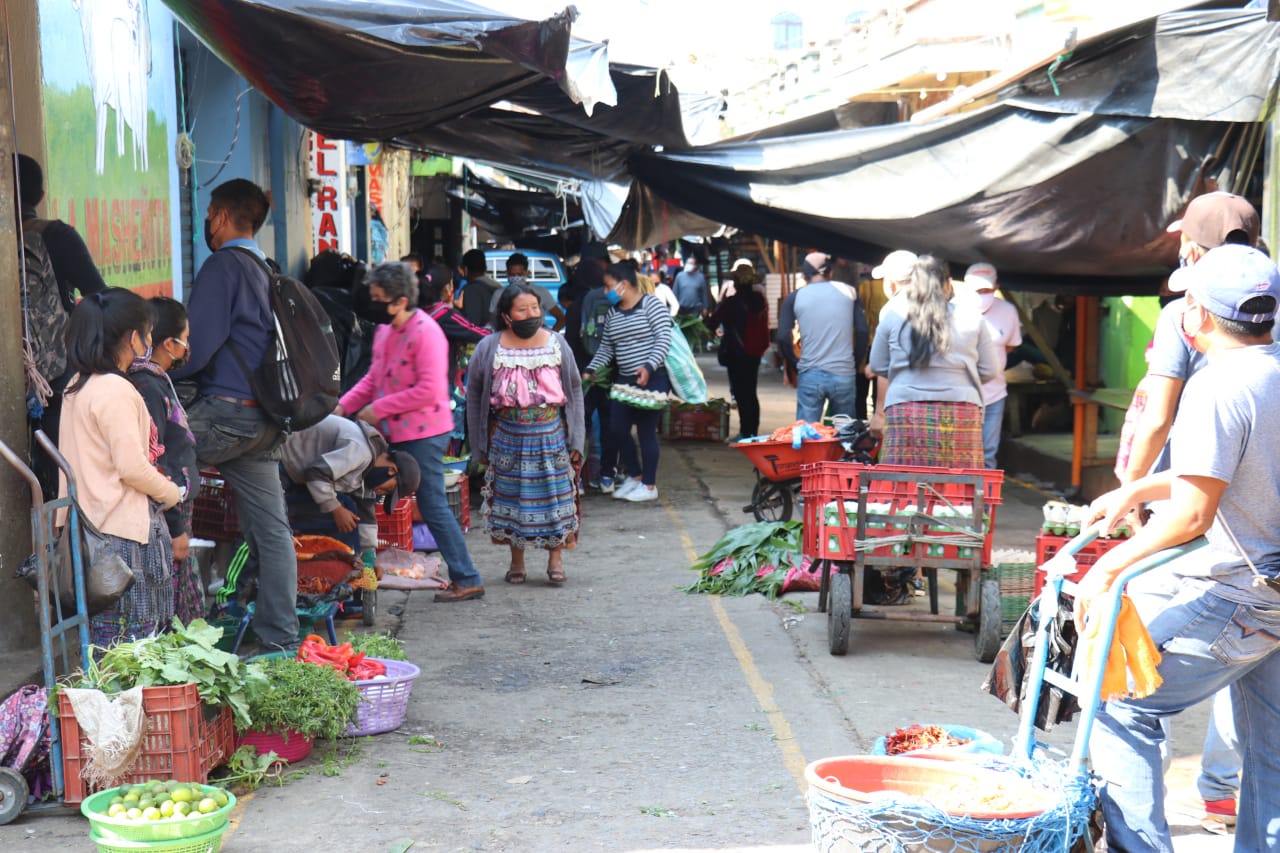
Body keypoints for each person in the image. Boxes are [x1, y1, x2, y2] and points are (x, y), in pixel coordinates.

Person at [1078, 244, 1280, 853]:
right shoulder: (1270, 372)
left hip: (1237, 594)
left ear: (1201, 316)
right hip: (1271, 596)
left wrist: (1109, 565)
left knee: (1120, 706)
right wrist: (1138, 488)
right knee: (1271, 753)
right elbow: (1225, 471)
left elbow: (1194, 513)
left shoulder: (1217, 386)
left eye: (1187, 300)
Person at [1114, 190, 1259, 831]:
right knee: (1247, 659)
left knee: (1133, 681)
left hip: (1202, 510)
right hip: (1254, 521)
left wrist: (1132, 491)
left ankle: (1143, 808)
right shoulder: (1268, 317)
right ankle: (1221, 787)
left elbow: (1157, 419)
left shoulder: (1193, 322)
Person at [171, 178, 300, 650]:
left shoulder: (223, 266)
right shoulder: (267, 268)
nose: (205, 223)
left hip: (225, 417)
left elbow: (197, 349)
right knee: (272, 531)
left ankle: (162, 620)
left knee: (150, 468)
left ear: (222, 216)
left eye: (208, 215)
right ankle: (280, 638)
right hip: (265, 421)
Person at [337, 262, 486, 602]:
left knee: (432, 504)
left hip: (425, 431)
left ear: (400, 301)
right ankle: (360, 574)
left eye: (379, 298)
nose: (374, 304)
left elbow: (430, 390)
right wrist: (342, 407)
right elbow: (373, 379)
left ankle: (467, 578)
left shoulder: (426, 332)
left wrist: (378, 408)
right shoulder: (385, 330)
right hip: (394, 428)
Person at [59, 288, 180, 646]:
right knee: (132, 644)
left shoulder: (77, 386)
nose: (149, 342)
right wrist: (171, 493)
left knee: (105, 644)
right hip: (120, 538)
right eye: (148, 333)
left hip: (88, 530)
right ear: (132, 338)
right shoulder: (116, 390)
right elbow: (132, 468)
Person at [466, 284, 585, 584]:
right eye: (523, 309)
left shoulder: (557, 344)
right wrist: (479, 444)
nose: (531, 314)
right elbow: (474, 394)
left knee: (555, 500)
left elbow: (574, 389)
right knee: (513, 502)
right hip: (507, 438)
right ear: (507, 316)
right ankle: (516, 562)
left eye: (535, 308)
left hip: (551, 437)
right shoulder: (489, 347)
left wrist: (577, 438)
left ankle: (555, 560)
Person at [18, 153, 108, 500]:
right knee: (58, 468)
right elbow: (99, 295)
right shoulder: (56, 235)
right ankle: (52, 527)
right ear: (41, 195)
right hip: (53, 375)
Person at [868, 255, 1000, 468]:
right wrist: (961, 379)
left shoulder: (893, 316)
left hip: (905, 409)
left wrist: (903, 376)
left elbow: (877, 365)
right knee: (959, 483)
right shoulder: (972, 318)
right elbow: (990, 369)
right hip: (962, 410)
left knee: (905, 481)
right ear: (948, 284)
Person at [127, 297, 203, 625]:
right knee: (172, 606)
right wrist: (177, 529)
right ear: (168, 343)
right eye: (185, 338)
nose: (187, 346)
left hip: (174, 503)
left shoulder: (156, 380)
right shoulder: (147, 387)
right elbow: (157, 459)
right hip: (168, 509)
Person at [584, 263, 672, 503]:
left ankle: (649, 485)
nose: (605, 292)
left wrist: (648, 367)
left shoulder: (652, 305)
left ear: (623, 284)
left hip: (652, 378)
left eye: (608, 286)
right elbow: (607, 347)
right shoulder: (613, 313)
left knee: (646, 431)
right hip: (624, 380)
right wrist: (591, 369)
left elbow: (664, 339)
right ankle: (635, 476)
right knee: (618, 429)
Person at [281, 414, 421, 562]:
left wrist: (369, 560)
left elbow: (367, 517)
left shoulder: (369, 470)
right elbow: (315, 473)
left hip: (298, 471)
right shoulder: (361, 452)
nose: (380, 492)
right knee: (277, 520)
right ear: (392, 470)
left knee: (340, 518)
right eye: (387, 490)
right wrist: (336, 509)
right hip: (282, 455)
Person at [776, 252, 868, 423]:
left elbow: (782, 336)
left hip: (810, 374)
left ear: (804, 276)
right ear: (830, 273)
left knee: (807, 431)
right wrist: (854, 363)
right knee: (845, 431)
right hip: (843, 373)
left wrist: (796, 365)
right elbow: (862, 331)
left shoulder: (794, 297)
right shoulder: (849, 293)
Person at [420, 264, 491, 449]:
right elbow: (476, 332)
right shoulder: (445, 315)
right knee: (450, 432)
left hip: (422, 383)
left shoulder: (418, 312)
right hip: (445, 383)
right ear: (448, 288)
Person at [565, 244, 617, 492]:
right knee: (609, 425)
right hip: (609, 374)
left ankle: (578, 478)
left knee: (579, 427)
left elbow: (570, 344)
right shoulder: (612, 302)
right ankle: (607, 476)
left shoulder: (576, 306)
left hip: (583, 374)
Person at [962, 263, 1022, 469]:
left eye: (986, 290)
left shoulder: (1008, 311)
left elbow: (1011, 346)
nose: (981, 295)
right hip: (962, 395)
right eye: (976, 290)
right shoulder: (953, 310)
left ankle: (986, 491)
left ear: (996, 287)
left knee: (988, 452)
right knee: (962, 453)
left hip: (994, 395)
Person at [710, 259, 770, 438]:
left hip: (736, 353)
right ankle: (752, 431)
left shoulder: (731, 302)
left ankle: (745, 431)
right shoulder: (759, 301)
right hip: (754, 353)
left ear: (736, 283)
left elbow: (712, 322)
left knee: (740, 392)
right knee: (751, 392)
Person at [489, 252, 566, 331]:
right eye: (512, 275)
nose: (516, 277)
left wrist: (550, 335)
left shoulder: (541, 292)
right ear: (507, 274)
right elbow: (492, 320)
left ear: (527, 273)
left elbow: (561, 318)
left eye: (519, 274)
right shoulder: (499, 294)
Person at [458, 248, 502, 329]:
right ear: (485, 268)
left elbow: (472, 324)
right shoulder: (497, 287)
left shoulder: (471, 290)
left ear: (465, 269)